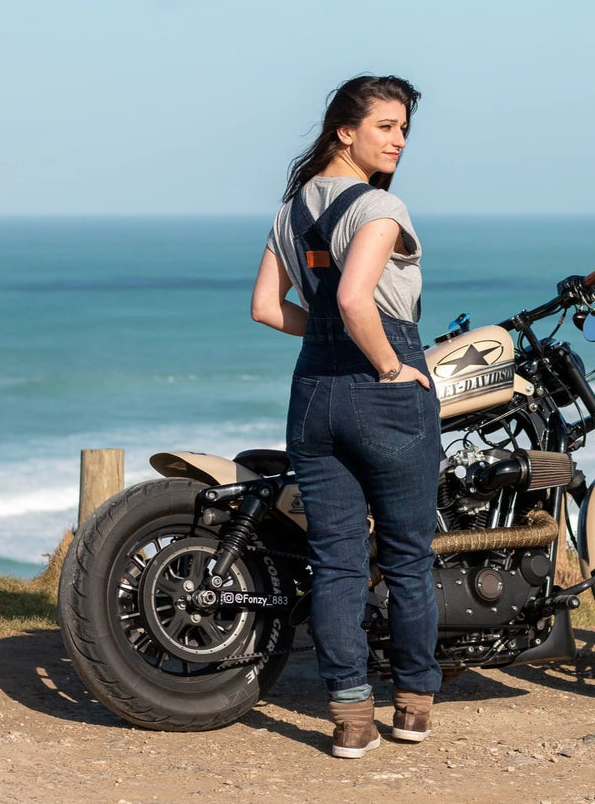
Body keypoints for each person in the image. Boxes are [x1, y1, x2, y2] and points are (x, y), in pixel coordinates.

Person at [251, 75, 442, 758]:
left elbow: (268, 309)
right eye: (385, 126)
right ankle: (414, 707)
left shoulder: (291, 210)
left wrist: (329, 336)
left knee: (335, 565)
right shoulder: (382, 207)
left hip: (314, 398)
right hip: (383, 394)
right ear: (344, 129)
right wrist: (391, 368)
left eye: (403, 130)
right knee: (407, 560)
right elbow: (360, 299)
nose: (396, 140)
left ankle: (351, 720)